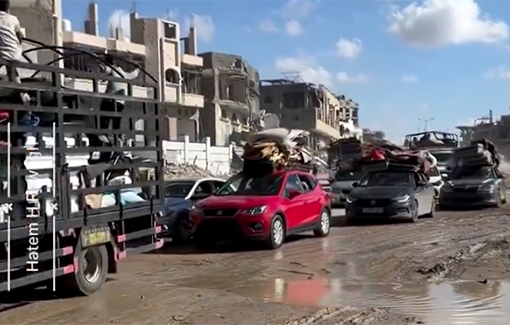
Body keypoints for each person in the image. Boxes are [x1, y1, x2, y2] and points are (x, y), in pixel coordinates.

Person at [99, 54, 140, 130]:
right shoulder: (123, 74)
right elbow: (132, 75)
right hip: (119, 102)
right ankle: (115, 135)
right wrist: (137, 69)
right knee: (116, 121)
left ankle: (104, 133)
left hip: (109, 100)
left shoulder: (113, 69)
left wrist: (102, 66)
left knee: (105, 120)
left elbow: (106, 69)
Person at [0, 0, 22, 83]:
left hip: (2, 53)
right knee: (12, 69)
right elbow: (19, 37)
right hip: (14, 52)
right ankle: (18, 87)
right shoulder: (13, 19)